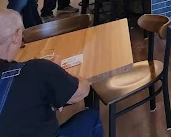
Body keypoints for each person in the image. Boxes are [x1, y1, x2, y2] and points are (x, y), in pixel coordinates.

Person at [0, 9, 103, 137]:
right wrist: (57, 73)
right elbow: (81, 91)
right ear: (16, 38)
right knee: (92, 117)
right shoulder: (36, 70)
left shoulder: (35, 71)